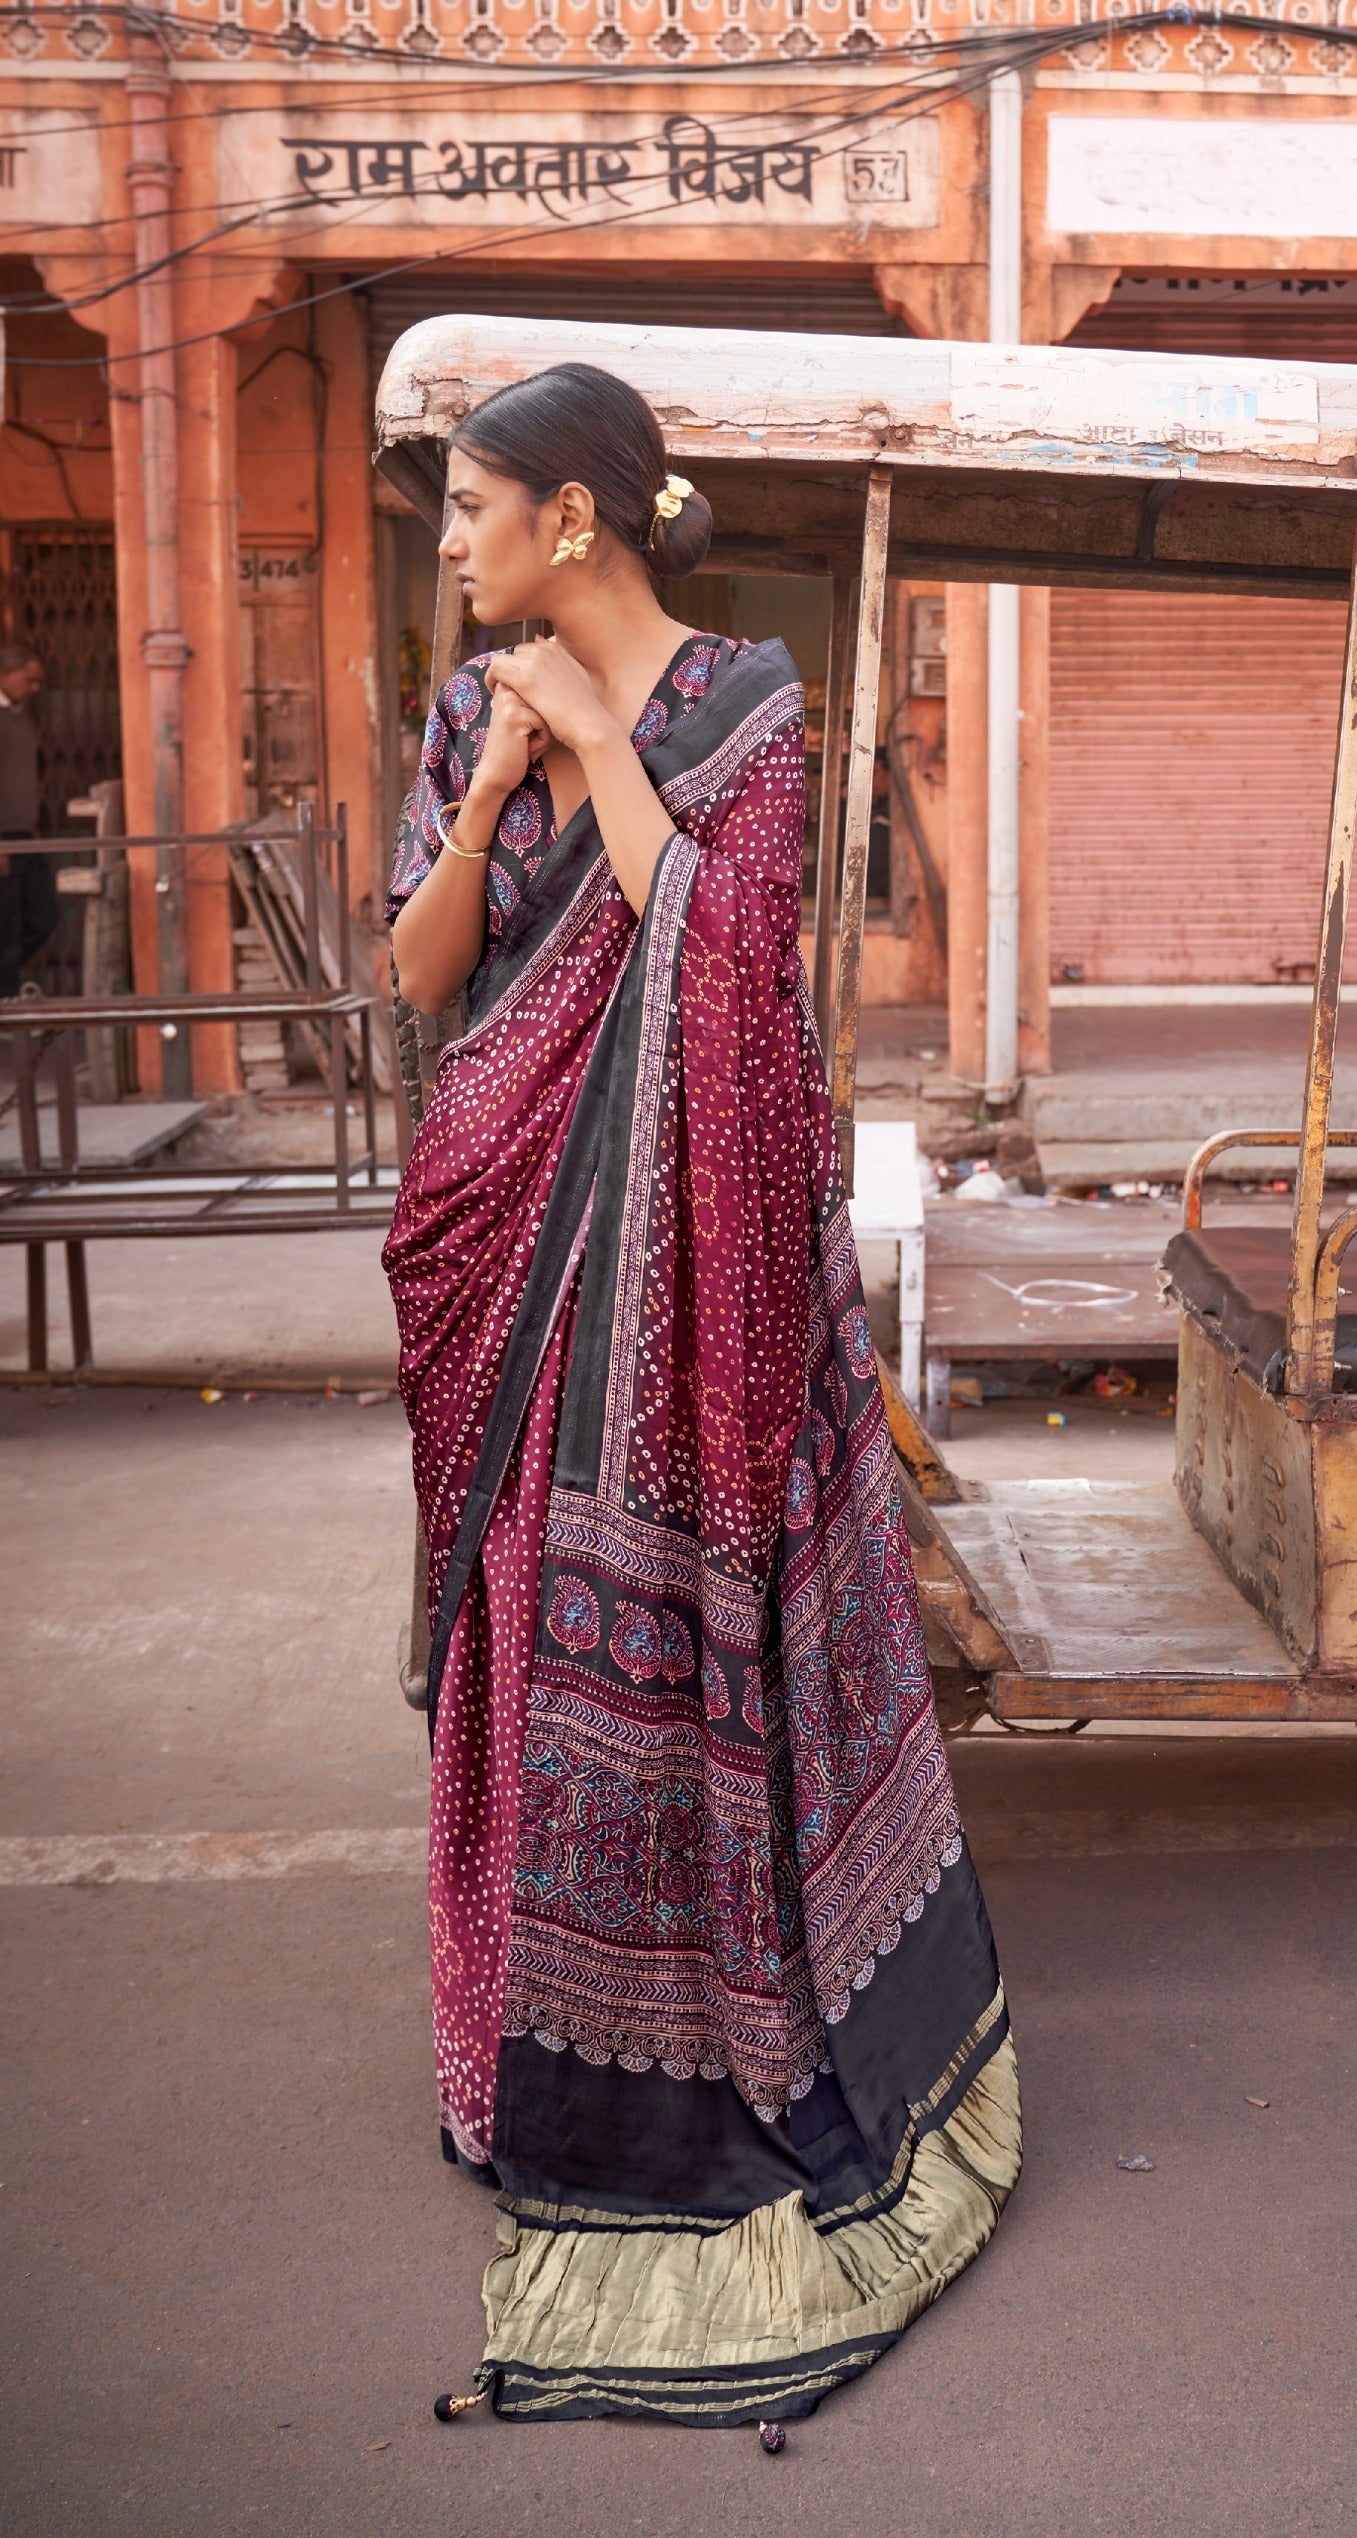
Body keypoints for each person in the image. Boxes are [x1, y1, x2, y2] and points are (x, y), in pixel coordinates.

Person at [383, 363, 1020, 2431]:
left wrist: (600, 750)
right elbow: (419, 979)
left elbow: (738, 969)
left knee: (653, 1641)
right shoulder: (464, 710)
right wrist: (497, 777)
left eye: (469, 507)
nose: (448, 543)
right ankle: (510, 2052)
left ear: (569, 516)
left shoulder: (746, 705)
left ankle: (683, 2057)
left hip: (686, 1288)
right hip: (503, 1240)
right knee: (515, 1625)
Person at [0, 647, 56, 1000]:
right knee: (5, 927)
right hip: (3, 840)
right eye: (29, 680)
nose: (35, 688)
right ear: (5, 674)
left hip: (23, 836)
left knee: (43, 915)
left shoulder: (19, 718)